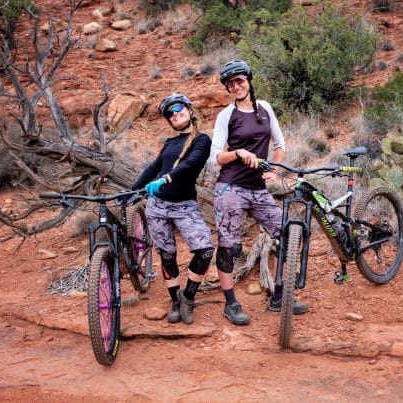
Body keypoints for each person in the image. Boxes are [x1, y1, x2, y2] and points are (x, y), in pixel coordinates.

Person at [209, 60, 308, 326]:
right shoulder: (226, 115)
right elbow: (214, 156)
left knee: (286, 233)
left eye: (239, 80)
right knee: (229, 246)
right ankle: (231, 303)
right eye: (230, 83)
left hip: (258, 189)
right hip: (230, 187)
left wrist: (274, 170)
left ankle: (279, 295)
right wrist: (238, 153)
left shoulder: (264, 108)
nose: (236, 86)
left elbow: (280, 144)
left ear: (249, 80)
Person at [132, 93, 214, 325]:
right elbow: (153, 168)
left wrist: (165, 179)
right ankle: (175, 302)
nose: (174, 114)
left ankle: (188, 296)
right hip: (157, 206)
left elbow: (190, 164)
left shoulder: (201, 140)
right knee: (167, 254)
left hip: (185, 206)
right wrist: (133, 190)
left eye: (178, 109)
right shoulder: (170, 143)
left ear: (189, 110)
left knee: (205, 250)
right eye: (170, 114)